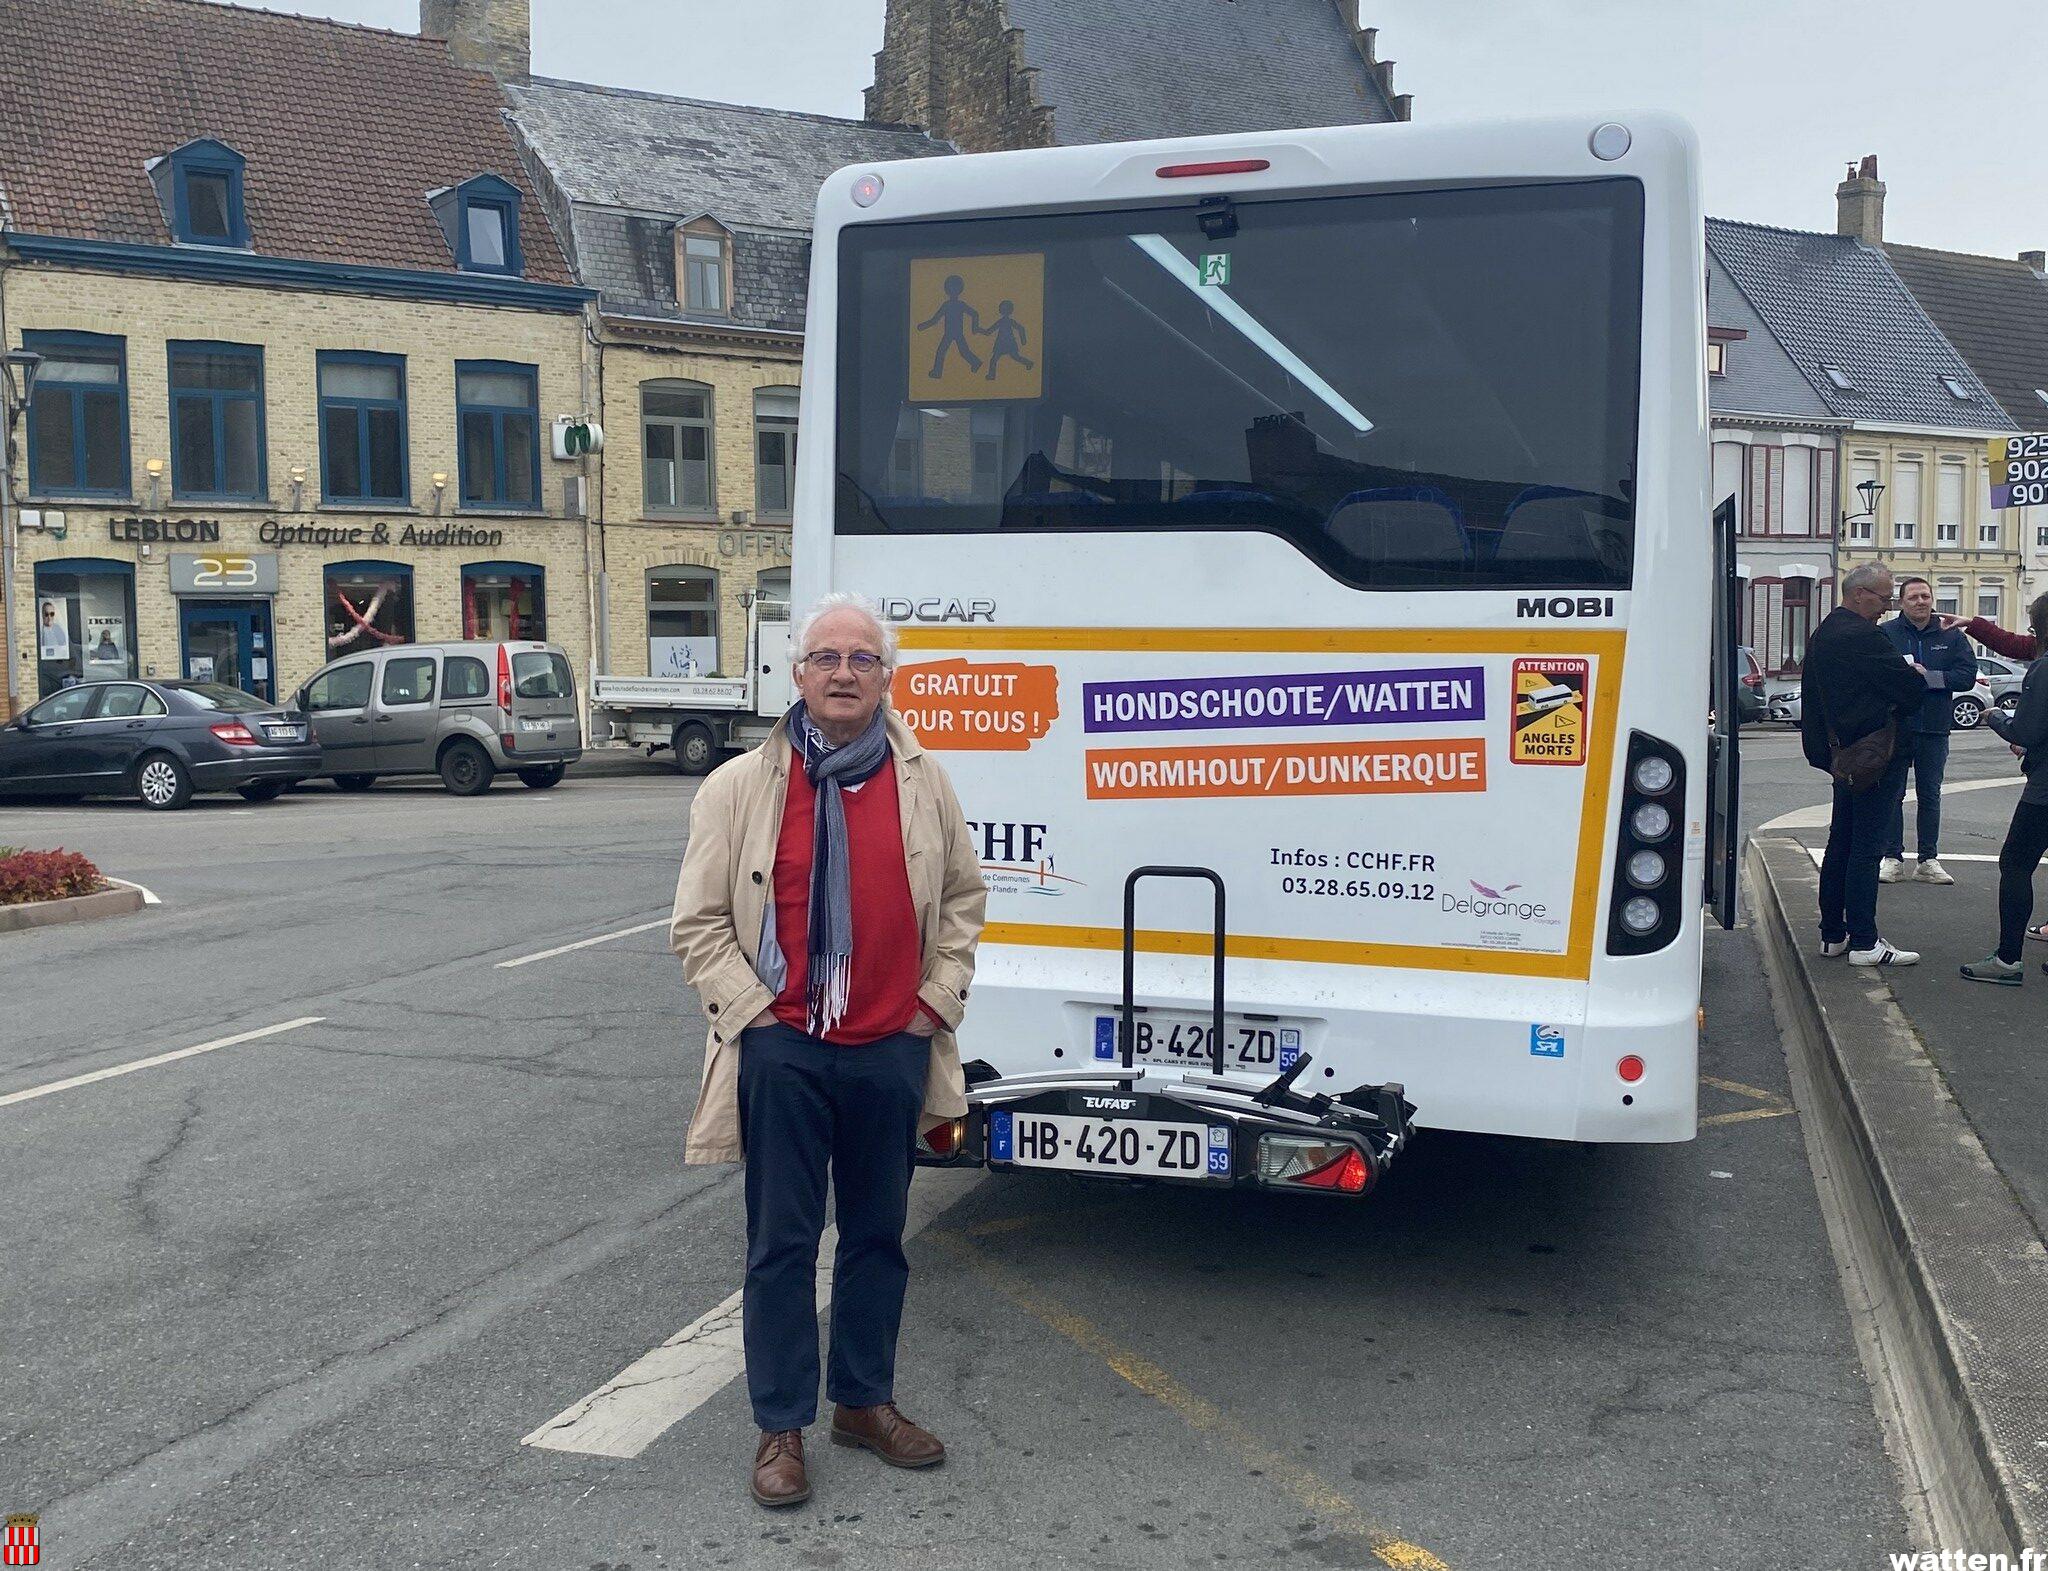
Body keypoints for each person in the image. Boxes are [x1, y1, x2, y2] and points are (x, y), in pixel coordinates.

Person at [669, 591, 987, 1510]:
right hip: (785, 1049)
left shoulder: (925, 782)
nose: (844, 673)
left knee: (878, 1236)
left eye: (862, 659)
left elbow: (962, 900)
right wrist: (755, 1018)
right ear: (797, 673)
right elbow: (698, 923)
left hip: (891, 1045)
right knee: (781, 1242)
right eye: (827, 658)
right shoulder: (738, 787)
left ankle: (862, 1400)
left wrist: (932, 1004)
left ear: (887, 677)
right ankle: (781, 1427)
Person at [1800, 562, 1928, 965]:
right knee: (1867, 848)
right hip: (1876, 755)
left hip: (1844, 755)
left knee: (1841, 842)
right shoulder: (1864, 636)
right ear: (1859, 594)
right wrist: (1916, 673)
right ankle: (1865, 942)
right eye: (1884, 598)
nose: (1887, 606)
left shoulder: (1825, 632)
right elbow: (1910, 692)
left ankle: (1832, 934)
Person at [1961, 593, 2048, 984]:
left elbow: (2026, 731)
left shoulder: (2043, 669)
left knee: (2015, 864)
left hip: (2045, 790)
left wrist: (1997, 717)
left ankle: (2008, 960)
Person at [1878, 577, 1977, 885]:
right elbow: (1873, 675)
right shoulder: (1886, 633)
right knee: (1892, 793)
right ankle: (1892, 858)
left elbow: (1967, 676)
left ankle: (1928, 859)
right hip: (1896, 726)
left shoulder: (1950, 634)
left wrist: (1930, 677)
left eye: (1925, 596)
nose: (1920, 602)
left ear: (1932, 599)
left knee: (1930, 794)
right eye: (1913, 597)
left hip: (1934, 726)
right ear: (1901, 602)